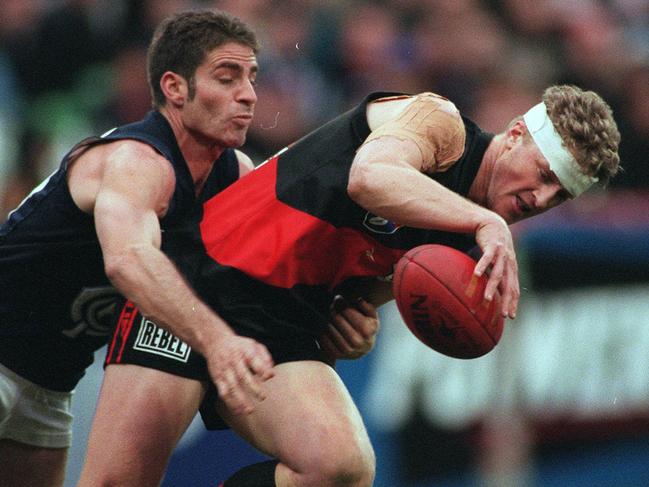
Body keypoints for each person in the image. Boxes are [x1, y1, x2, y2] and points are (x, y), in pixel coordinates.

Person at [80, 85, 621, 487]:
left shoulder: (468, 247)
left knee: (341, 468)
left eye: (561, 197)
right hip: (206, 277)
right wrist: (485, 222)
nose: (542, 200)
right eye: (545, 175)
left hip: (286, 320)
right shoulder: (442, 125)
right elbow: (372, 177)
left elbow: (358, 300)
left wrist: (356, 325)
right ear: (517, 134)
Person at [0, 10, 376, 487]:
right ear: (175, 88)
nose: (249, 94)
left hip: (50, 386)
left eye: (252, 77)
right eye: (227, 76)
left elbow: (277, 282)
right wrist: (218, 343)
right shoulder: (137, 161)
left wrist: (338, 320)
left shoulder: (234, 176)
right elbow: (128, 260)